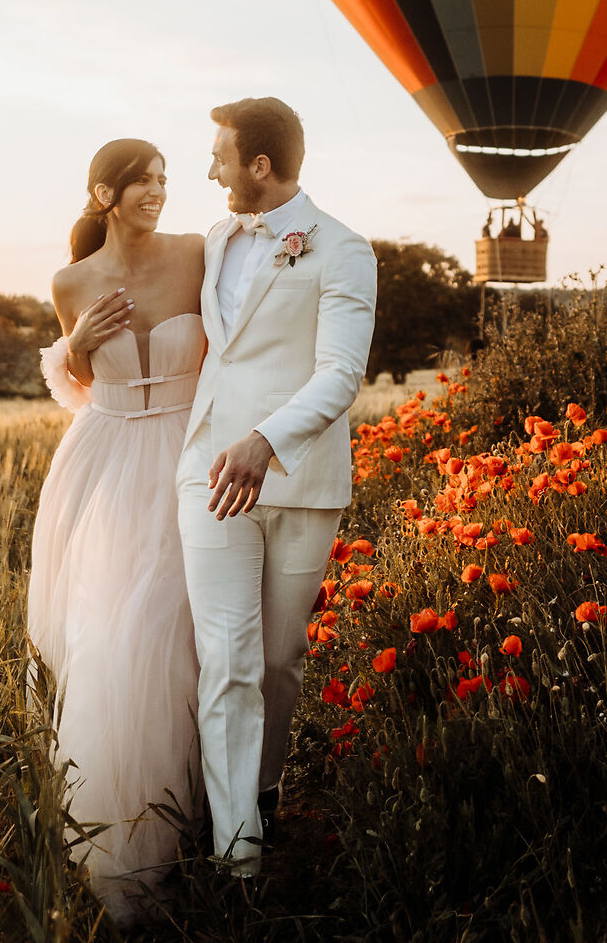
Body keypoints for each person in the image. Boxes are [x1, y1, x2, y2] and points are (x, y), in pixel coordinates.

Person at [177, 97, 377, 877]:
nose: (210, 171)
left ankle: (259, 795)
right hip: (209, 475)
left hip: (299, 481)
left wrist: (266, 442)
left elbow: (342, 374)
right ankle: (238, 858)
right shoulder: (214, 239)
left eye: (220, 157)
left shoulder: (344, 250)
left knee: (280, 659)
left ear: (260, 166)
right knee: (227, 656)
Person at [29, 138, 207, 923]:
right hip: (102, 465)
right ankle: (128, 849)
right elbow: (77, 389)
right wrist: (73, 345)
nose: (160, 192)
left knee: (180, 634)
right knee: (117, 641)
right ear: (105, 192)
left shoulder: (199, 254)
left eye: (165, 181)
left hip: (183, 455)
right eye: (145, 182)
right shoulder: (70, 281)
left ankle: (203, 825)